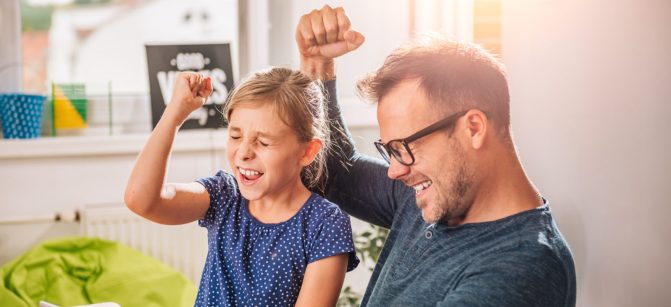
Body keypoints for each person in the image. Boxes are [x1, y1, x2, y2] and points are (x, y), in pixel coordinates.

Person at [295, 5, 576, 307]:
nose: (394, 171)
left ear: (473, 127)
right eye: (390, 151)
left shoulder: (521, 270)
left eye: (404, 146)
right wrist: (317, 66)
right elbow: (332, 170)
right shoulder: (437, 195)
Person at [124, 68, 359, 306]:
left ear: (307, 151)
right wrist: (175, 113)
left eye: (263, 142)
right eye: (235, 137)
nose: (244, 153)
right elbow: (141, 200)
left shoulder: (325, 223)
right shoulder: (224, 195)